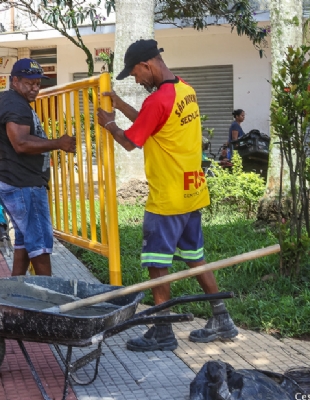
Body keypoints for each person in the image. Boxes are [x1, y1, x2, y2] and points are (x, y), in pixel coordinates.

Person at [96, 39, 239, 352]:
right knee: (196, 258)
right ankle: (222, 318)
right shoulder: (185, 90)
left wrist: (109, 124)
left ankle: (162, 331)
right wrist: (119, 105)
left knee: (157, 265)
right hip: (192, 191)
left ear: (147, 65)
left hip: (167, 198)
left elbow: (132, 141)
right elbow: (153, 124)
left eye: (135, 73)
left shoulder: (157, 101)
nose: (136, 79)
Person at [0, 58, 76, 276]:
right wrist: (59, 143)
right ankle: (49, 302)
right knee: (39, 245)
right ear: (15, 81)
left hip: (17, 182)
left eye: (38, 83)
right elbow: (21, 143)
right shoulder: (14, 105)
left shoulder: (13, 102)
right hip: (22, 184)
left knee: (25, 241)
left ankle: (16, 294)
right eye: (30, 82)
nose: (35, 88)